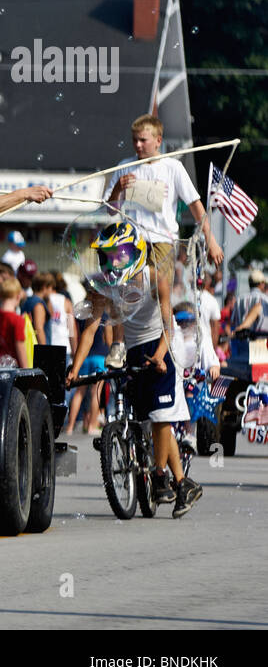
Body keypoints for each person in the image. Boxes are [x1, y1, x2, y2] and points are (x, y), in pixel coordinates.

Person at [68, 221, 202, 517]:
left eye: (120, 254)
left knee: (160, 416)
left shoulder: (155, 279)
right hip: (133, 351)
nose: (114, 262)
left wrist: (160, 355)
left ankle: (158, 474)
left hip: (162, 344)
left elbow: (168, 323)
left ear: (137, 252)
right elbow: (90, 331)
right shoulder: (107, 288)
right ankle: (180, 482)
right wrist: (74, 370)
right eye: (108, 256)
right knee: (147, 418)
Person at [106, 114, 225, 361]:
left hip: (162, 241)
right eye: (134, 140)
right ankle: (118, 344)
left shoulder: (172, 167)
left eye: (143, 140)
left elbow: (195, 206)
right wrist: (118, 188)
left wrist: (210, 240)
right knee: (122, 290)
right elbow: (110, 210)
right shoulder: (124, 166)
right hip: (132, 240)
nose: (137, 145)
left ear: (158, 140)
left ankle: (163, 347)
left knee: (160, 295)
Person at [0, 277, 33, 368]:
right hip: (12, 366)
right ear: (18, 297)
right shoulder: (18, 320)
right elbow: (20, 347)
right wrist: (27, 370)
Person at [230, 268, 268, 336]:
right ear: (261, 284)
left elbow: (233, 322)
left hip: (241, 342)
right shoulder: (265, 300)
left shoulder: (239, 299)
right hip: (259, 342)